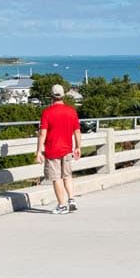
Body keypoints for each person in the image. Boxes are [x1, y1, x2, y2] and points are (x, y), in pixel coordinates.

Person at [36, 84, 81, 214]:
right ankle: (71, 199)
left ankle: (62, 205)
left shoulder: (47, 112)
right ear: (63, 96)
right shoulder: (71, 111)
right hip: (67, 149)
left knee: (56, 178)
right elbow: (77, 132)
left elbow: (42, 133)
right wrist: (78, 147)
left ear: (51, 96)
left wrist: (39, 151)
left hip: (52, 150)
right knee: (67, 176)